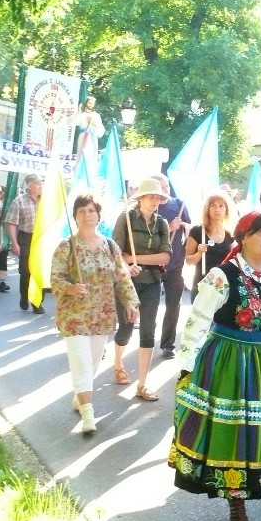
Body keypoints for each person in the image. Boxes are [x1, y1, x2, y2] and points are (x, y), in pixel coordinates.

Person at [168, 212, 261, 521]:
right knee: (234, 435)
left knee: (260, 434)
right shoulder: (222, 275)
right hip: (231, 363)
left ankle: (248, 491)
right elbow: (197, 322)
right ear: (244, 237)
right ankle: (237, 506)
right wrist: (187, 367)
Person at [51, 194, 139, 434]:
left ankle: (80, 396)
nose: (87, 215)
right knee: (81, 362)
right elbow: (55, 278)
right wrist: (70, 287)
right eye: (82, 210)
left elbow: (122, 277)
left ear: (98, 215)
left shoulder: (110, 246)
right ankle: (88, 413)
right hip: (74, 316)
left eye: (91, 210)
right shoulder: (66, 246)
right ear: (75, 216)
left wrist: (130, 302)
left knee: (92, 362)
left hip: (103, 314)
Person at [111, 178, 171, 401]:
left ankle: (143, 384)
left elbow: (165, 256)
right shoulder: (125, 218)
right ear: (141, 198)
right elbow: (116, 252)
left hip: (153, 282)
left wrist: (137, 259)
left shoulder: (162, 224)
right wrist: (127, 263)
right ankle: (117, 363)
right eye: (151, 196)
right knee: (126, 327)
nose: (155, 200)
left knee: (148, 330)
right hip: (127, 282)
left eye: (158, 197)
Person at [152, 173, 191, 359]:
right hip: (151, 265)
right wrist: (169, 227)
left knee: (173, 305)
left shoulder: (178, 204)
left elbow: (190, 227)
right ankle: (147, 340)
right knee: (149, 305)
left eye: (166, 186)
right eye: (160, 187)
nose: (164, 190)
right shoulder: (148, 207)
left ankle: (168, 344)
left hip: (175, 264)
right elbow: (148, 235)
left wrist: (183, 225)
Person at [186, 189, 235, 304]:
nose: (217, 209)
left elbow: (233, 260)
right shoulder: (197, 231)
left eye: (221, 206)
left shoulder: (229, 234)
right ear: (207, 209)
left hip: (222, 287)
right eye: (213, 205)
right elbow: (189, 261)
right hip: (202, 285)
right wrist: (198, 253)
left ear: (226, 210)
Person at [5, 173, 44, 313]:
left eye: (41, 183)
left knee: (40, 271)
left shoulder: (45, 201)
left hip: (41, 239)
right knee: (27, 271)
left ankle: (37, 302)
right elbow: (11, 224)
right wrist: (14, 243)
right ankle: (24, 295)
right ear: (30, 185)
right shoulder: (19, 201)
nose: (41, 186)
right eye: (39, 183)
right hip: (26, 238)